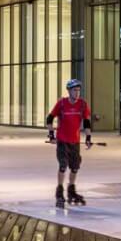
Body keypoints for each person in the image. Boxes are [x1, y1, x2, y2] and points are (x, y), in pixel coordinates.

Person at [46, 78, 94, 207]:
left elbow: (87, 122)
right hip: (62, 141)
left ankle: (71, 190)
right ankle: (59, 191)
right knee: (63, 166)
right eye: (74, 90)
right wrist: (51, 134)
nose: (77, 93)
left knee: (75, 167)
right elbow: (49, 118)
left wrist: (88, 137)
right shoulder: (62, 103)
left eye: (78, 90)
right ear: (69, 91)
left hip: (75, 141)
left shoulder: (82, 104)